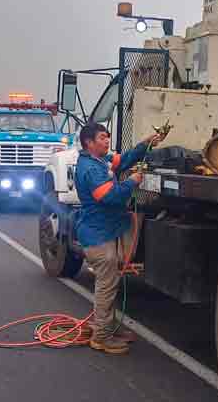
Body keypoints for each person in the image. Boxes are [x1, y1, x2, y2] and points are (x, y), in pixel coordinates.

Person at [73, 122, 164, 355]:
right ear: (89, 143)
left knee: (109, 284)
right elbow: (110, 197)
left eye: (107, 137)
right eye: (102, 138)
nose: (106, 141)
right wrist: (132, 181)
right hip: (97, 236)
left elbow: (123, 161)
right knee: (107, 286)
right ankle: (101, 337)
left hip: (103, 231)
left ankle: (108, 326)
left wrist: (146, 144)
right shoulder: (91, 169)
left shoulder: (99, 160)